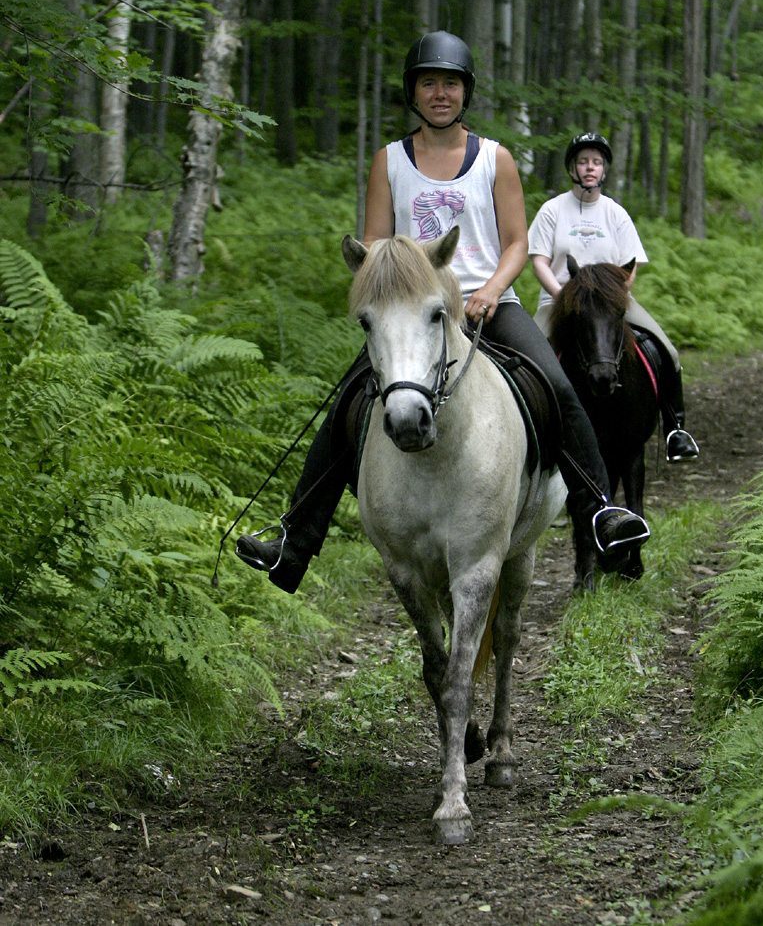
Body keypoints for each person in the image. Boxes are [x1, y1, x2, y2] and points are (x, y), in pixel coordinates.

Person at [235, 35, 649, 592]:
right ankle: (295, 539)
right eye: (428, 82)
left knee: (556, 387)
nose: (439, 93)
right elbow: (376, 245)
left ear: (465, 92)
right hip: (411, 312)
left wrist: (490, 291)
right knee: (346, 407)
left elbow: (516, 242)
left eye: (450, 83)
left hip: (488, 304)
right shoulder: (390, 161)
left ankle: (600, 512)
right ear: (413, 91)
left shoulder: (495, 160)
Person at [529, 131, 700, 462]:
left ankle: (676, 429)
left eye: (596, 162)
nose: (589, 168)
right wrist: (564, 295)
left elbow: (630, 264)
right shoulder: (552, 210)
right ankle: (535, 437)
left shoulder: (615, 213)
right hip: (559, 303)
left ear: (604, 170)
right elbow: (539, 260)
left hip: (609, 305)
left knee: (667, 349)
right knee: (530, 359)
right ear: (572, 168)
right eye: (582, 161)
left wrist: (616, 295)